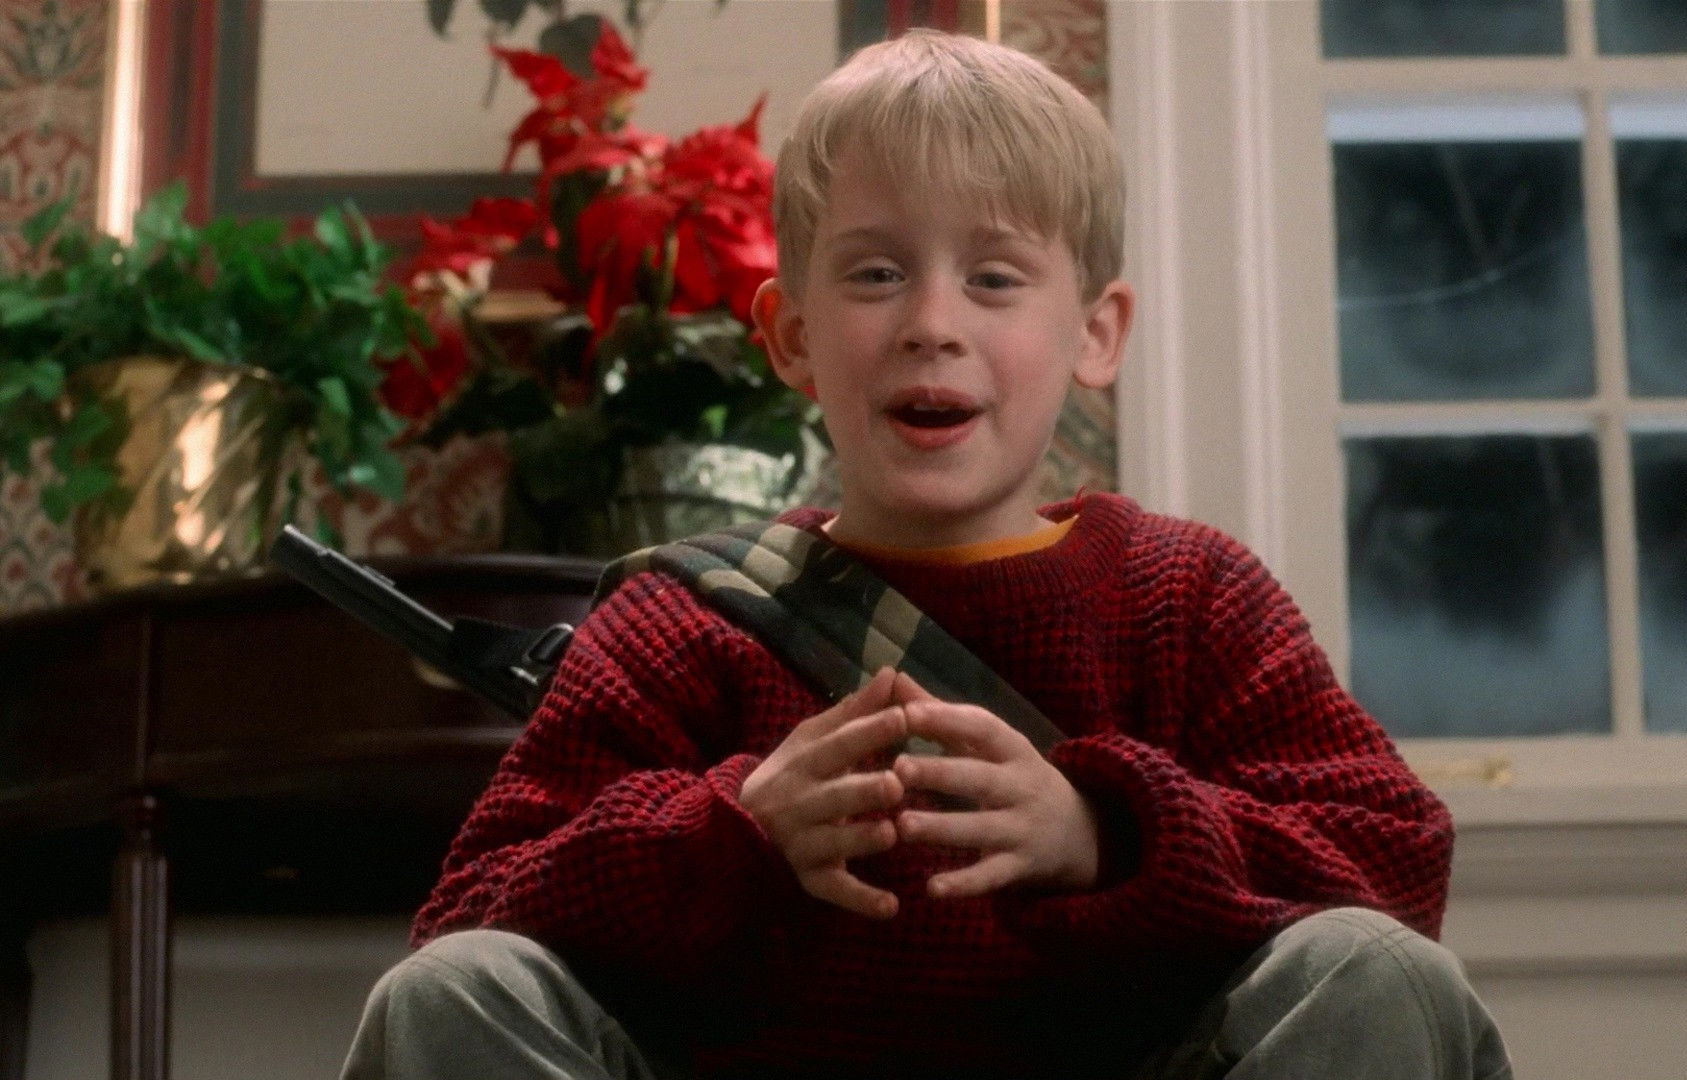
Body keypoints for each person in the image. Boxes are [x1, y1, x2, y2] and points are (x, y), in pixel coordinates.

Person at [342, 29, 1512, 1080]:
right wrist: (734, 829)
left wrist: (1102, 833)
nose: (931, 324)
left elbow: (1392, 858)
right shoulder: (674, 625)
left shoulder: (1189, 596)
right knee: (455, 994)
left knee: (1379, 975)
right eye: (876, 273)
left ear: (1095, 333)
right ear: (792, 336)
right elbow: (469, 914)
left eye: (994, 278)